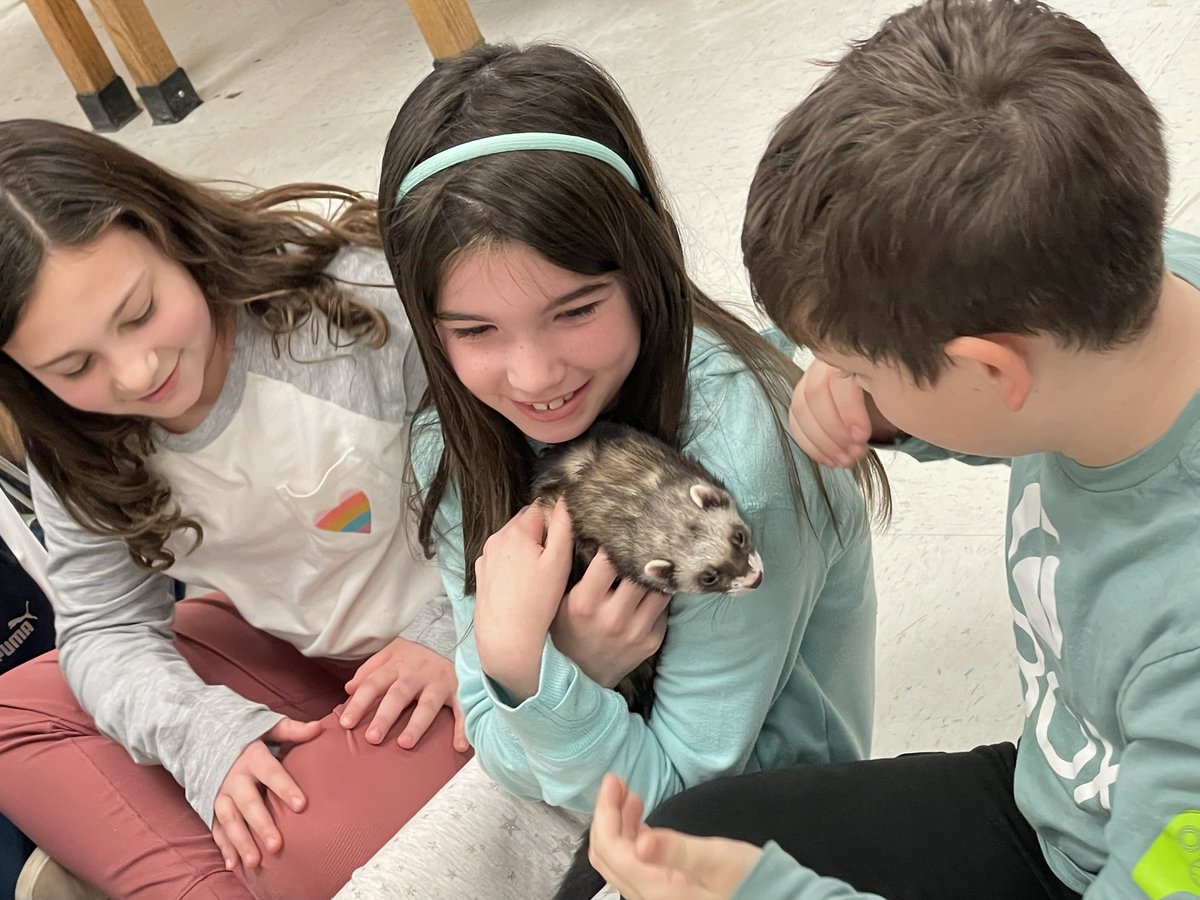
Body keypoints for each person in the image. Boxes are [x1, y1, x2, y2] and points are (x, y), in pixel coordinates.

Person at [586, 1, 1200, 898]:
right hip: (1066, 791)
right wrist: (892, 414)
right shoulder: (1144, 284)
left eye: (856, 366)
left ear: (989, 369)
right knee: (685, 830)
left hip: (1114, 866)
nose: (828, 379)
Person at [375, 39, 888, 874]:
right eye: (475, 331)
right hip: (579, 766)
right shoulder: (454, 437)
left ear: (641, 262)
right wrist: (564, 666)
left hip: (762, 835)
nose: (537, 377)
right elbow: (502, 748)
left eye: (575, 309)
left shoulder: (744, 461)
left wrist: (524, 667)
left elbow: (677, 806)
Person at [0, 118, 472, 900]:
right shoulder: (72, 435)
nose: (137, 370)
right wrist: (201, 736)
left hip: (465, 645)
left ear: (168, 231)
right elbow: (102, 624)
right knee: (14, 714)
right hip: (311, 658)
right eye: (74, 364)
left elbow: (530, 469)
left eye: (140, 310)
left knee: (295, 852)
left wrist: (459, 630)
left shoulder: (351, 307)